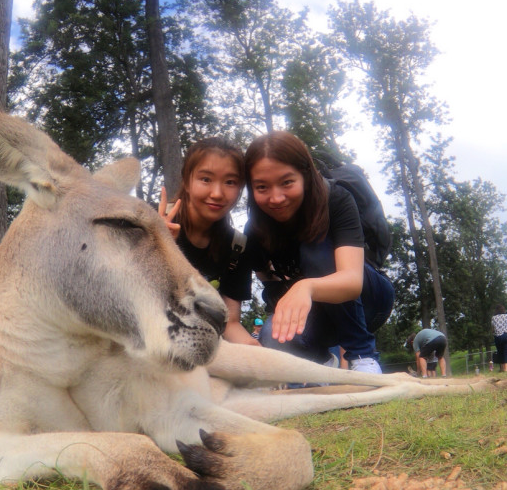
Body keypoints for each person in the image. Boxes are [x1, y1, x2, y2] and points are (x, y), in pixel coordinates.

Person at [234, 131, 394, 371]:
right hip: (322, 315)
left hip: (371, 300)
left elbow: (352, 281)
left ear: (306, 175)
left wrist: (304, 286)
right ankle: (320, 363)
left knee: (315, 252)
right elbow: (269, 285)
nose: (276, 198)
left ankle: (363, 356)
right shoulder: (255, 231)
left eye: (287, 182)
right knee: (271, 335)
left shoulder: (336, 200)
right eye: (262, 187)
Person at [158, 137, 256, 344]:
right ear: (186, 180)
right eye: (205, 179)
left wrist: (259, 354)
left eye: (230, 182)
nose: (217, 193)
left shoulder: (237, 248)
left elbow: (230, 323)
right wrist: (154, 245)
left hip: (195, 344)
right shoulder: (153, 223)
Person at [491, 303, 507, 372]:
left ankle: (502, 368)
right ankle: (506, 369)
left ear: (496, 310)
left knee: (500, 352)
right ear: (503, 310)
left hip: (498, 337)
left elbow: (493, 329)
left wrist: (494, 333)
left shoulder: (493, 318)